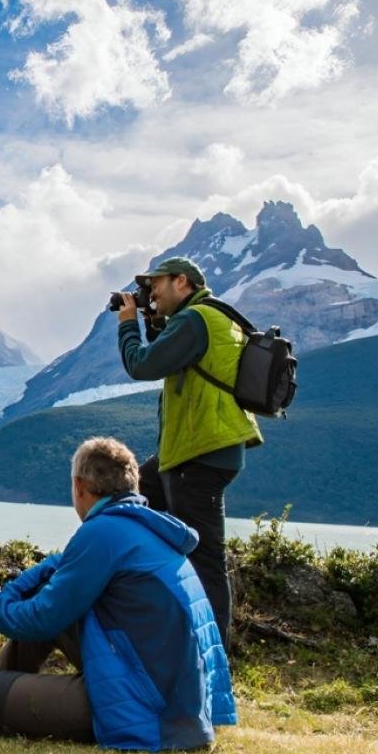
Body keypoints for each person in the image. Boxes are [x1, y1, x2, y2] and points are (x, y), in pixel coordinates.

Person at [0, 437, 235, 751]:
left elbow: (41, 617)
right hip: (173, 696)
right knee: (53, 594)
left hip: (150, 708)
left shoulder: (103, 532)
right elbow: (58, 567)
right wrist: (1, 598)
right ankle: (1, 675)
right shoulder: (137, 526)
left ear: (79, 486)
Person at [117, 256, 262, 648]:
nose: (152, 294)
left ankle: (213, 655)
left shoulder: (195, 319)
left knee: (205, 558)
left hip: (198, 455)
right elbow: (172, 348)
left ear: (181, 281)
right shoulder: (211, 316)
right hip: (195, 452)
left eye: (156, 285)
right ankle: (155, 623)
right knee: (129, 502)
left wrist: (129, 324)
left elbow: (142, 364)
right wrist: (150, 316)